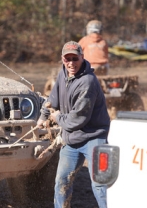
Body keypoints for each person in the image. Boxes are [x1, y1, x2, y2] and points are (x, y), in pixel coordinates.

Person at [37, 41, 110, 208]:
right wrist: (43, 116)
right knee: (62, 181)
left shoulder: (88, 82)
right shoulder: (63, 74)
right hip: (72, 138)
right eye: (67, 59)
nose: (71, 63)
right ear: (62, 59)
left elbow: (77, 119)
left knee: (100, 184)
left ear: (82, 58)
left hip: (94, 137)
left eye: (74, 58)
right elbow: (52, 99)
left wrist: (56, 118)